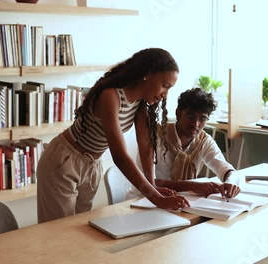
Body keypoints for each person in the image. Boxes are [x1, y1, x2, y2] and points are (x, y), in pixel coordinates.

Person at [36, 48, 190, 223]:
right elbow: (120, 156)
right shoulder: (111, 96)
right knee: (58, 232)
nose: (165, 94)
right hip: (64, 161)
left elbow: (146, 146)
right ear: (147, 74)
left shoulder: (139, 104)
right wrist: (155, 197)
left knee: (76, 230)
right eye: (165, 85)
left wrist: (152, 185)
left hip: (92, 165)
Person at [154, 88, 241, 198]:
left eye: (203, 118)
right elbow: (148, 181)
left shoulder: (203, 141)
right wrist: (191, 186)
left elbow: (227, 170)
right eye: (190, 116)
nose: (196, 124)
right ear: (178, 113)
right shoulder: (157, 135)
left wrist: (230, 182)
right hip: (147, 198)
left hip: (182, 201)